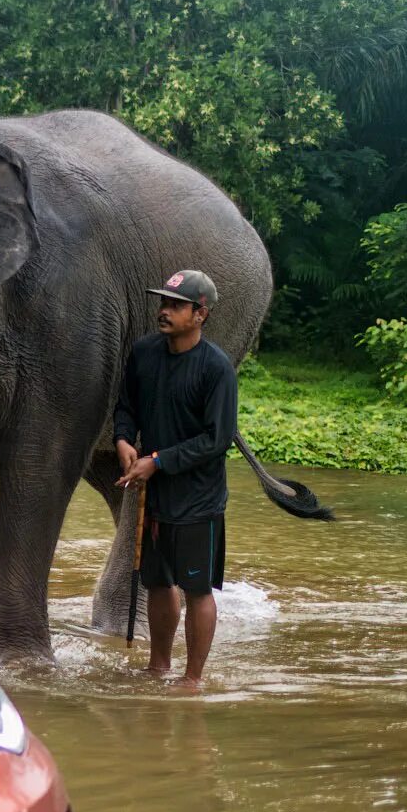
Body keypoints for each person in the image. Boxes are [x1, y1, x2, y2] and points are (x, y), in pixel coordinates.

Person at [114, 269, 238, 683]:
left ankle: (192, 680)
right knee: (157, 580)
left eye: (175, 305)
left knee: (197, 588)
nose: (164, 311)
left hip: (197, 498)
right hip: (156, 493)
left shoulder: (216, 369)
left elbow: (217, 440)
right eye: (163, 302)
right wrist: (123, 438)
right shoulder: (145, 353)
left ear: (200, 314)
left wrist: (160, 460)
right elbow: (127, 404)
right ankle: (158, 666)